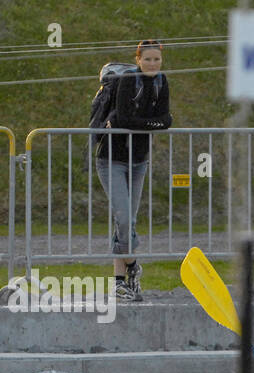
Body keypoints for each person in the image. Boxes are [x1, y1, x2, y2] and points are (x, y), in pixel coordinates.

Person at [95, 39, 171, 303]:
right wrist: (151, 123)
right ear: (138, 59)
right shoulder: (129, 81)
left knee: (126, 222)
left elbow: (167, 120)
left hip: (139, 160)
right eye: (147, 59)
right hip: (112, 159)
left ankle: (119, 283)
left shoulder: (162, 82)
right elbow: (126, 119)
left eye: (156, 59)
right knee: (124, 218)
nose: (152, 64)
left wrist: (146, 123)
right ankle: (133, 265)